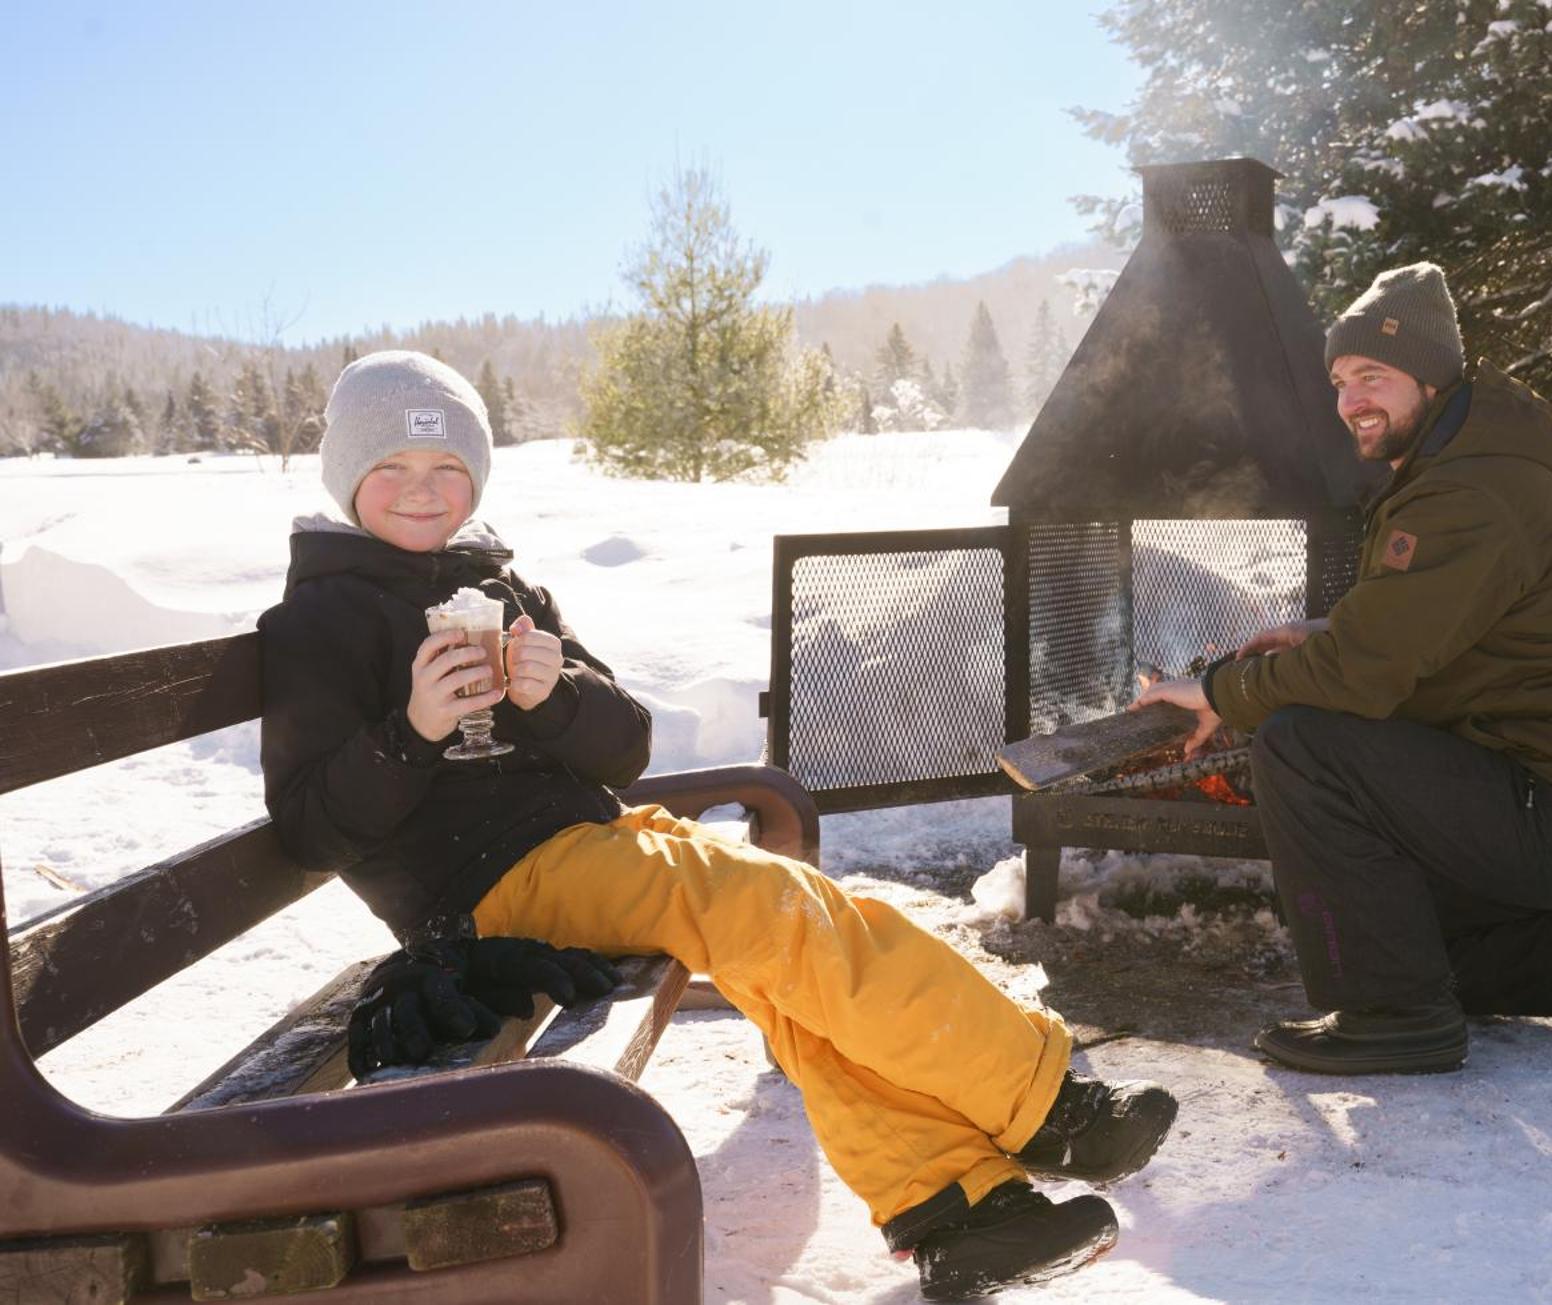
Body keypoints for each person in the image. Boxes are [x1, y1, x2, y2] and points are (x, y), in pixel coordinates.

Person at [259, 350, 1177, 1300]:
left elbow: (627, 747)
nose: (425, 491)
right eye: (394, 471)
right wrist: (412, 732)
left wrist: (554, 695)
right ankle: (1046, 1103)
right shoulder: (316, 623)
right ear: (347, 479)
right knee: (778, 913)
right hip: (486, 887)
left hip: (593, 841)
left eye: (448, 468)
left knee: (796, 941)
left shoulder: (499, 587)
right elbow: (311, 831)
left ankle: (959, 1210)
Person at [1135, 263, 1552, 1075]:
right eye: (1339, 380)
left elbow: (1364, 674)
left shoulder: (1468, 494)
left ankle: (1393, 1017)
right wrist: (1325, 630)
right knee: (1396, 929)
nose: (1350, 401)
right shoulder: (1467, 471)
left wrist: (1222, 690)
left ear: (1431, 380)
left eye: (1374, 375)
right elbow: (1444, 625)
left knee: (1300, 741)